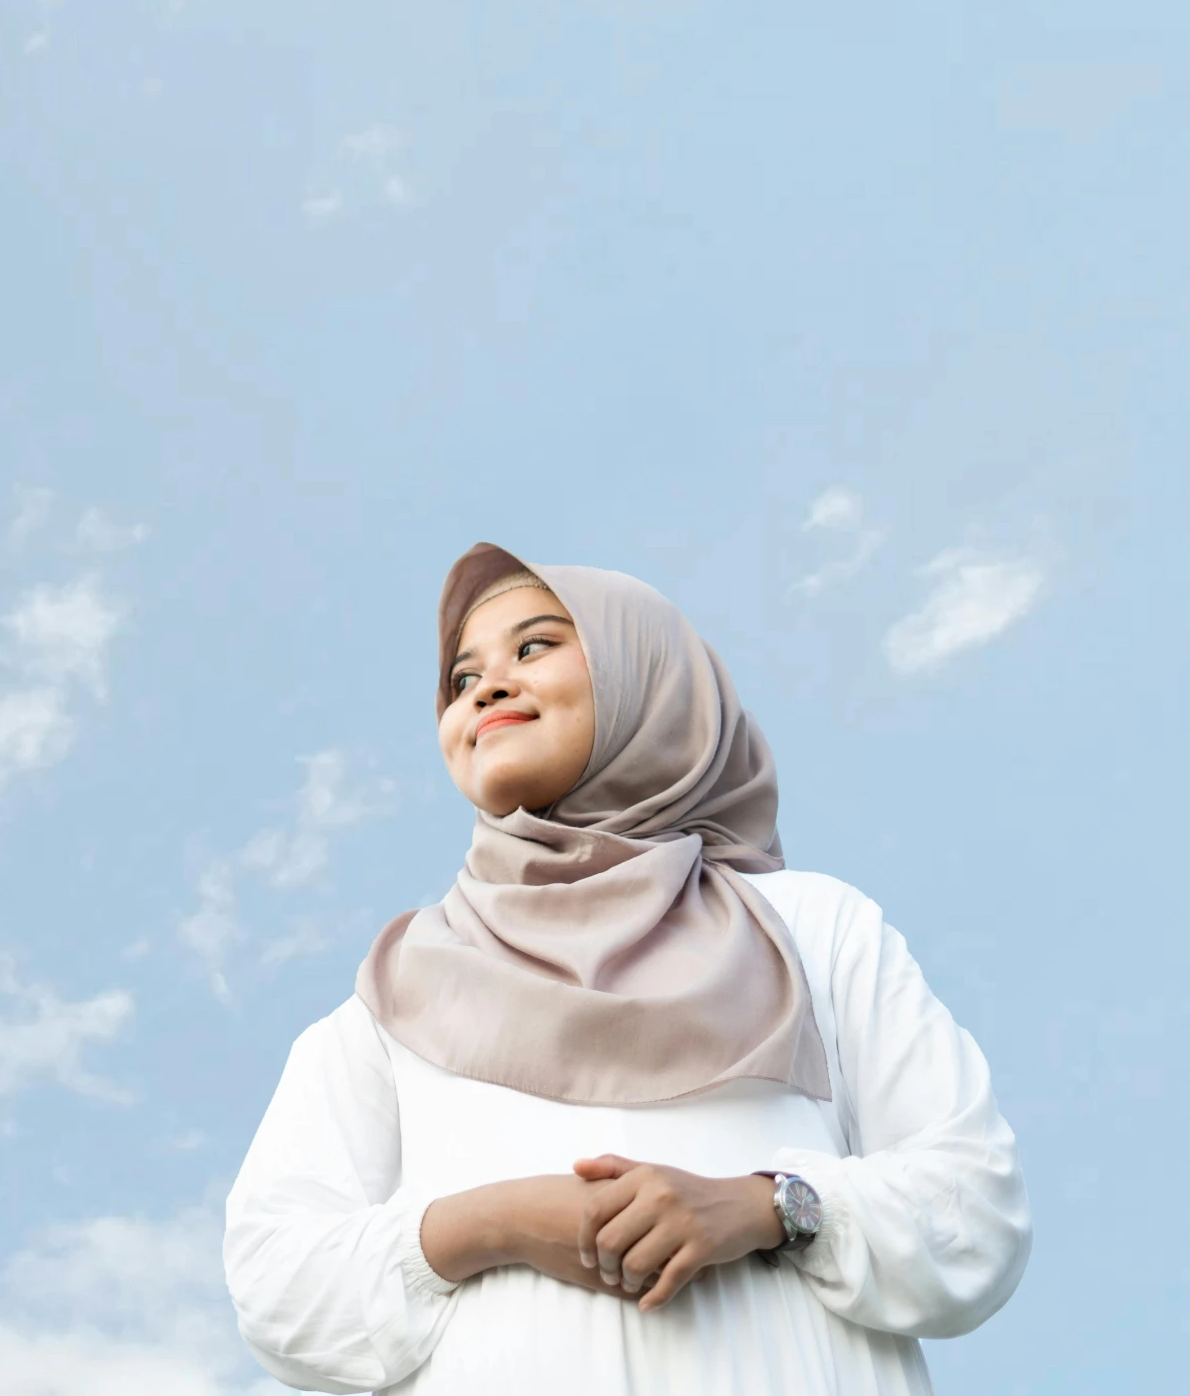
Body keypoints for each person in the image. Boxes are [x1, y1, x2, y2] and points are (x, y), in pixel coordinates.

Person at [223, 543, 1029, 1394]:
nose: (487, 687)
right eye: (462, 679)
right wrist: (496, 1221)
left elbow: (974, 1206)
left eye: (533, 647)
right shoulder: (394, 996)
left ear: (647, 675)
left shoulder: (811, 927)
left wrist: (767, 1206)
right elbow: (279, 1282)